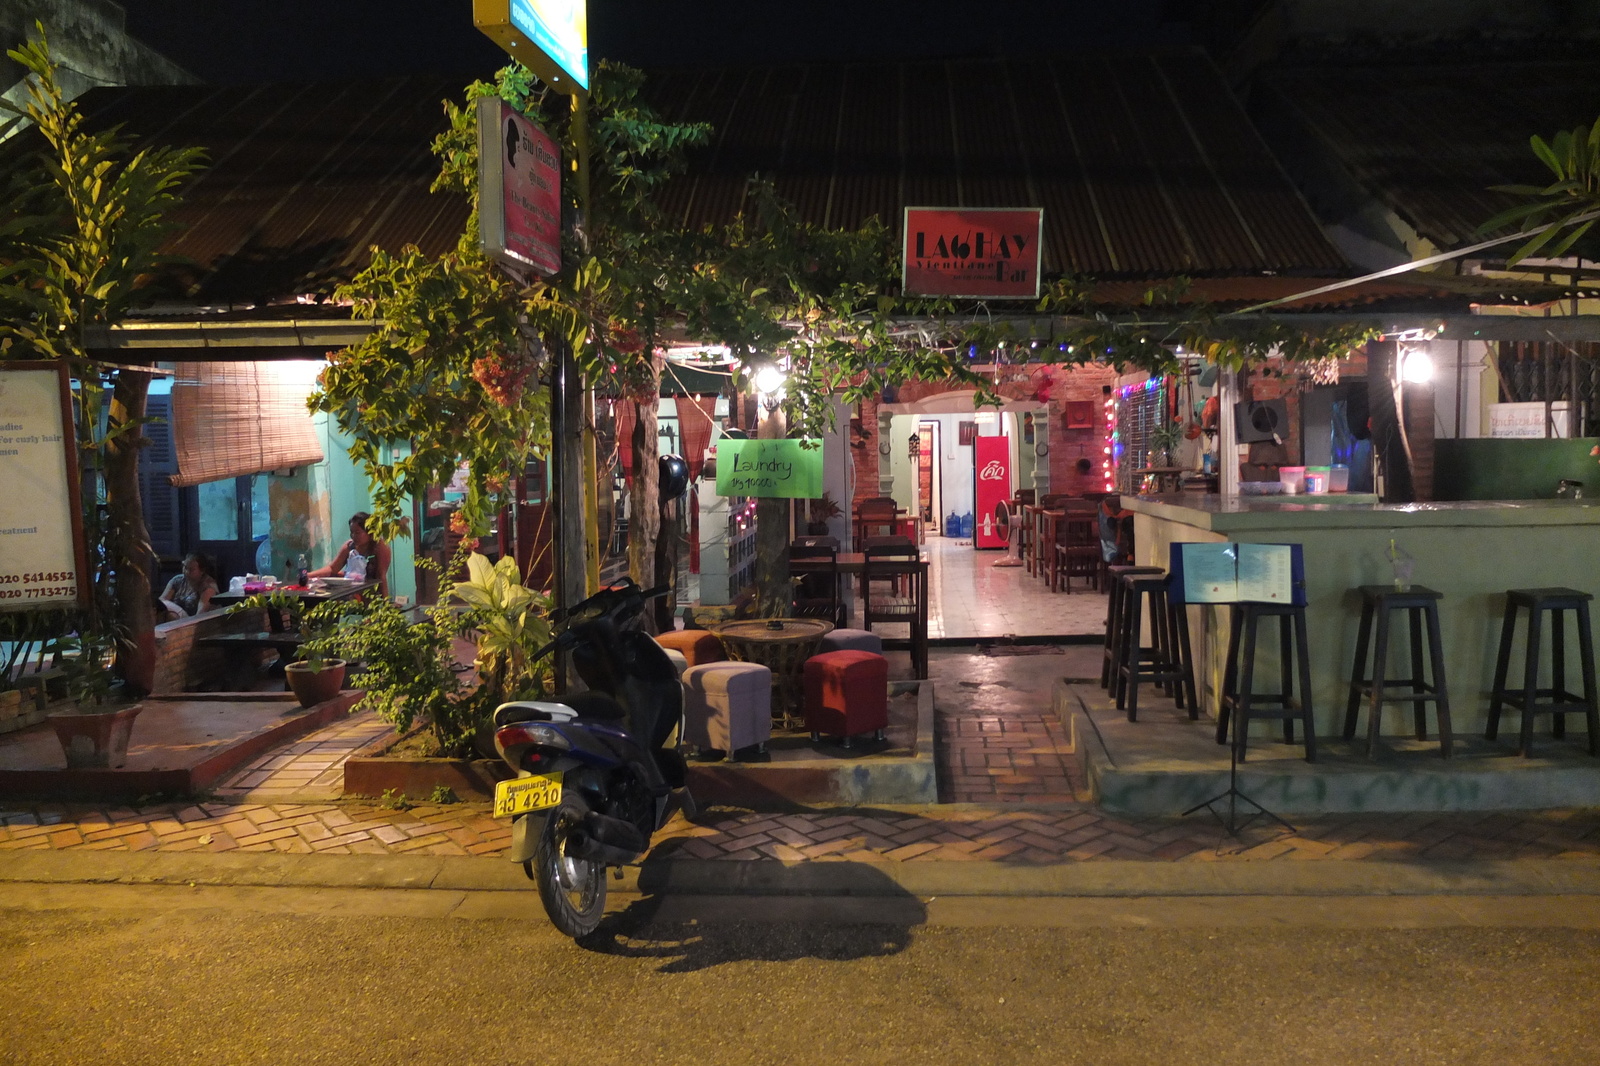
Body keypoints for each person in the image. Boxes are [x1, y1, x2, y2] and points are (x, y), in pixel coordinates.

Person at [307, 512, 391, 597]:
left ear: (369, 532)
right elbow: (332, 569)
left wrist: (386, 604)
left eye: (357, 533)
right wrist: (308, 576)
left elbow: (381, 576)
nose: (353, 536)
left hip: (371, 594)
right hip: (351, 593)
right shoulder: (349, 546)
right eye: (352, 532)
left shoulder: (379, 547)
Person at [159, 553, 218, 621]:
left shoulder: (208, 587)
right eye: (185, 567)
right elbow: (162, 601)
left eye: (191, 569)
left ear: (202, 571)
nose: (186, 572)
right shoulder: (177, 580)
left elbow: (200, 615)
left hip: (194, 622)